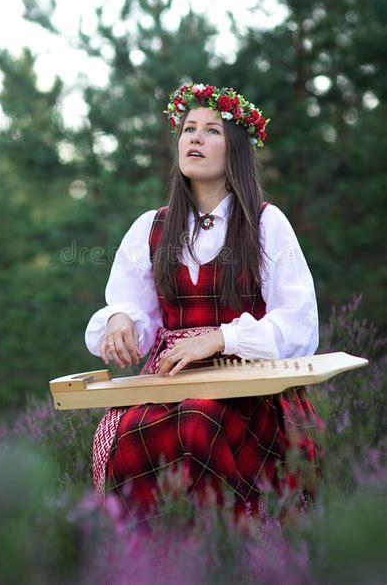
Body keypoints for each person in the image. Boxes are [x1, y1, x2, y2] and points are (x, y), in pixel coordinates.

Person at [85, 82, 325, 526]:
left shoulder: (266, 225)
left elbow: (299, 326)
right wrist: (119, 319)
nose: (194, 137)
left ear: (234, 150)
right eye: (188, 128)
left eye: (211, 130)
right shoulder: (150, 228)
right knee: (131, 432)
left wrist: (220, 338)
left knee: (200, 419)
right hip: (168, 385)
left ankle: (234, 549)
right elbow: (129, 306)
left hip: (249, 387)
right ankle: (150, 559)